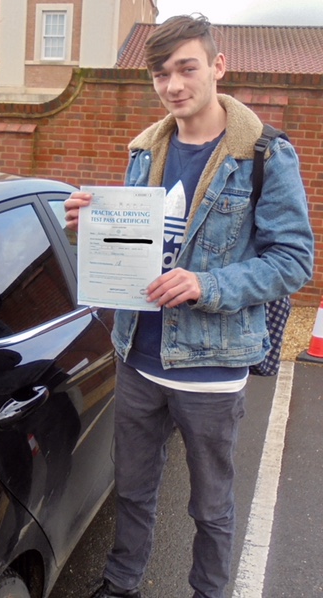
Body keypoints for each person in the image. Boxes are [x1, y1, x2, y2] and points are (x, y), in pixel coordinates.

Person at [64, 14, 314, 598]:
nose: (173, 85)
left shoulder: (263, 155)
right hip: (137, 355)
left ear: (217, 67)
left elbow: (293, 261)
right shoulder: (145, 147)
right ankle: (122, 583)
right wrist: (91, 225)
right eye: (160, 73)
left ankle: (208, 591)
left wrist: (207, 284)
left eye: (186, 68)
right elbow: (142, 244)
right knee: (132, 488)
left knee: (212, 506)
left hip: (211, 365)